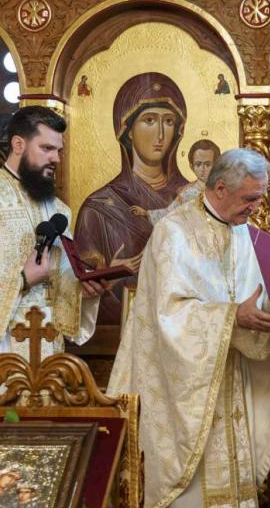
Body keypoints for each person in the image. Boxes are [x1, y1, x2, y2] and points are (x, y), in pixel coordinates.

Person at [108, 148, 270, 508]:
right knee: (188, 484)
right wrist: (233, 317)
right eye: (249, 198)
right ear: (220, 188)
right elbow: (169, 315)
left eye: (260, 198)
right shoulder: (173, 233)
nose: (256, 207)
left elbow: (257, 294)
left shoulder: (244, 233)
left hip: (228, 379)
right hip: (183, 386)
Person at [0, 106, 104, 395]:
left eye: (59, 150)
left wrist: (84, 288)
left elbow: (59, 281)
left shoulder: (56, 209)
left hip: (47, 353)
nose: (56, 158)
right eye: (47, 148)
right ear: (18, 144)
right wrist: (21, 279)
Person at [73, 72, 189, 324]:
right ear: (127, 130)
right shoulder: (98, 208)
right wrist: (109, 275)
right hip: (117, 333)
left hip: (183, 330)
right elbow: (79, 290)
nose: (160, 134)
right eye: (149, 120)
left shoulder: (193, 199)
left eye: (169, 121)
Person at [133, 138, 221, 226]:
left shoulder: (221, 191)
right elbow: (170, 212)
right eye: (198, 164)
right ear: (192, 167)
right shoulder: (187, 193)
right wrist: (146, 213)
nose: (203, 169)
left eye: (207, 164)